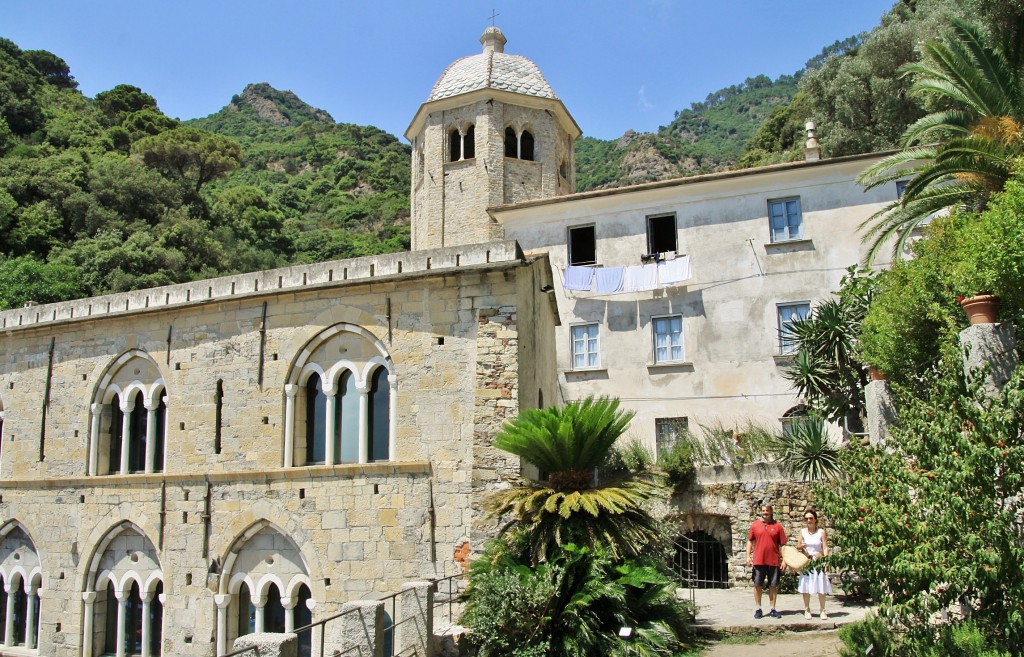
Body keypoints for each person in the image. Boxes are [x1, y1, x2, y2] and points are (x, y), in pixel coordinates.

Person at [746, 503, 787, 619]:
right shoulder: (755, 525)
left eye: (767, 511)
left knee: (773, 585)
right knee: (757, 585)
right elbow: (750, 541)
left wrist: (784, 560)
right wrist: (748, 556)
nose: (765, 513)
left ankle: (773, 609)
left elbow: (783, 544)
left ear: (771, 512)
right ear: (761, 512)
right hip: (759, 560)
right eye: (763, 511)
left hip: (774, 561)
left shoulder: (778, 526)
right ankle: (758, 608)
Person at [796, 509, 832, 619]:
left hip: (819, 561)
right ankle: (807, 609)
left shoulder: (821, 532)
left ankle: (822, 610)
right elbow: (798, 547)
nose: (809, 520)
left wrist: (826, 561)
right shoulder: (802, 532)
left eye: (811, 518)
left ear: (815, 519)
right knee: (806, 586)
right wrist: (800, 547)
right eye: (806, 518)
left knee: (821, 585)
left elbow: (825, 547)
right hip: (807, 561)